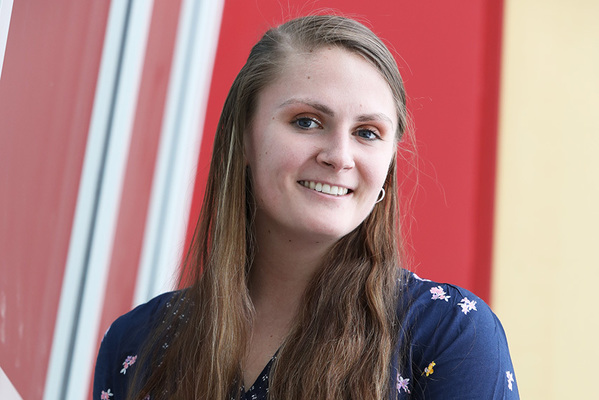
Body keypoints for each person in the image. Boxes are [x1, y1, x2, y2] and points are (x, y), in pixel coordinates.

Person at [93, 15, 519, 399]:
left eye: (367, 133)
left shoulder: (449, 336)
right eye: (306, 122)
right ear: (245, 137)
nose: (339, 156)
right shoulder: (135, 344)